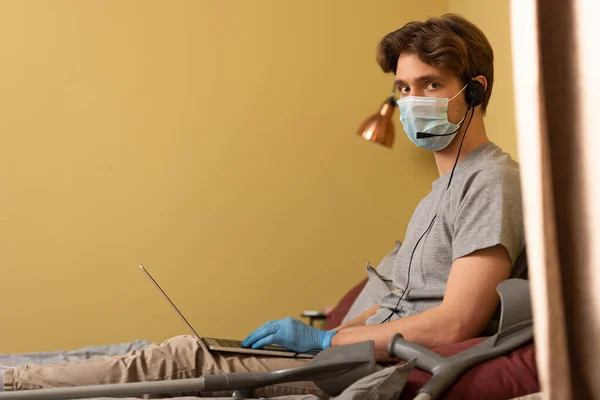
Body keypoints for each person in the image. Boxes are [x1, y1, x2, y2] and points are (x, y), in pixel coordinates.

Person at [1, 13, 524, 399]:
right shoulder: (439, 191)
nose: (412, 103)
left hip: (359, 372)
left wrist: (326, 338)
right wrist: (323, 336)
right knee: (167, 353)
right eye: (403, 89)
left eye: (430, 85)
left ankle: (15, 384)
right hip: (341, 355)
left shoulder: (492, 180)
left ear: (474, 92)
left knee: (176, 360)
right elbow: (402, 300)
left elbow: (455, 323)